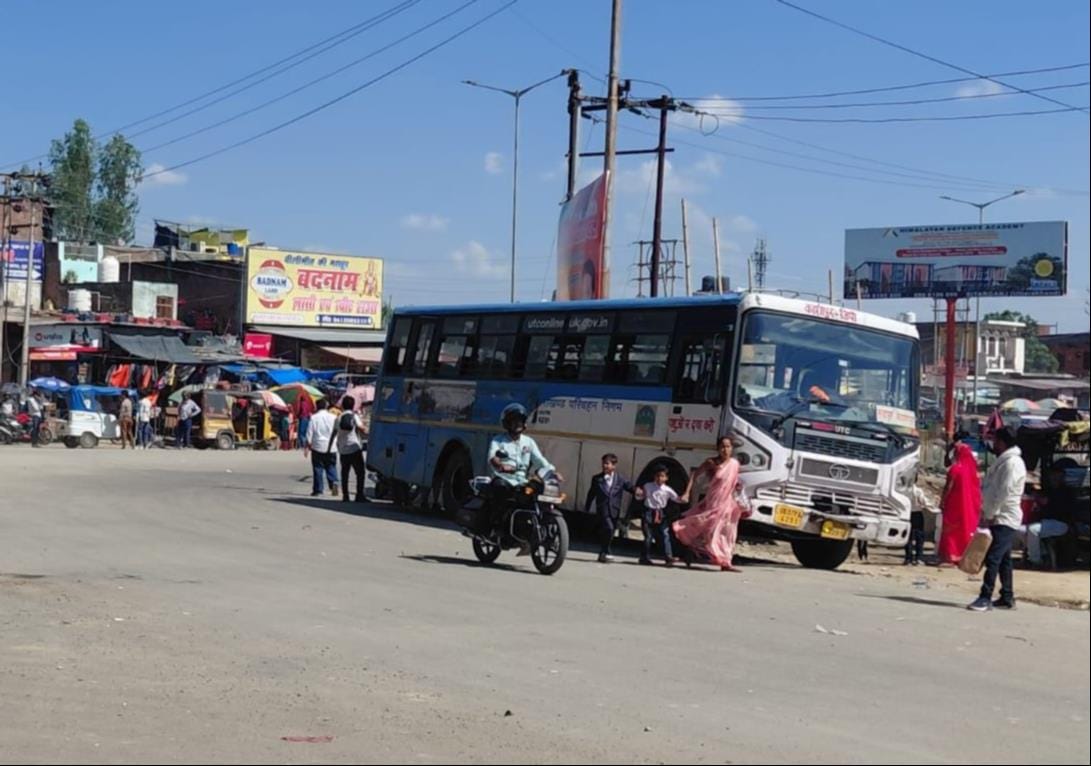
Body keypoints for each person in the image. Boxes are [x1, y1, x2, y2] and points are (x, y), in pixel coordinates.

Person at [968, 426, 1026, 611]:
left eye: (996, 440)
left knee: (993, 558)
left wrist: (990, 514)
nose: (993, 444)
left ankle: (985, 597)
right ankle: (1007, 597)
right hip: (998, 515)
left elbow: (1003, 492)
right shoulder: (1004, 461)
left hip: (1004, 517)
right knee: (1004, 560)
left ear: (1002, 442)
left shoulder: (1012, 463)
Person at [674, 434, 751, 572]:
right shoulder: (711, 463)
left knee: (728, 531)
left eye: (728, 447)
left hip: (728, 503)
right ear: (717, 448)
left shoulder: (734, 464)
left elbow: (734, 482)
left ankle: (725, 561)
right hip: (713, 502)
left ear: (732, 449)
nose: (725, 450)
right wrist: (687, 492)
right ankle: (691, 551)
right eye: (722, 447)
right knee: (708, 528)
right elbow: (695, 474)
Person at [488, 403, 558, 488]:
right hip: (504, 478)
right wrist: (501, 466)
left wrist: (552, 472)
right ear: (507, 423)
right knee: (500, 487)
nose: (518, 424)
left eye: (520, 421)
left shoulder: (529, 442)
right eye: (514, 421)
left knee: (538, 489)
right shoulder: (498, 440)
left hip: (522, 481)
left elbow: (539, 460)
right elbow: (493, 458)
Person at [584, 453, 636, 563]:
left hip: (614, 510)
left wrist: (638, 491)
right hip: (603, 510)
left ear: (614, 465)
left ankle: (603, 552)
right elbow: (591, 493)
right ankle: (607, 551)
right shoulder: (597, 479)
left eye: (607, 464)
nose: (605, 466)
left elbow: (629, 487)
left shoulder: (620, 479)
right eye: (603, 463)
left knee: (610, 533)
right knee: (609, 528)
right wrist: (587, 506)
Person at [1021, 463, 1075, 567]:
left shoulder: (1067, 491)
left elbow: (1054, 505)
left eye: (1057, 475)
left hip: (1061, 523)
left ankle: (1036, 560)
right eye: (1052, 475)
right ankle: (1043, 552)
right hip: (1044, 522)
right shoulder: (1048, 489)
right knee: (1020, 530)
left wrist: (1043, 500)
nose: (1054, 477)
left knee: (1033, 530)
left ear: (1062, 476)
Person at [937, 436, 981, 566]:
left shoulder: (955, 469)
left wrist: (942, 501)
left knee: (951, 531)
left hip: (953, 505)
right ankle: (961, 555)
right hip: (968, 507)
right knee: (964, 530)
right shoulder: (973, 472)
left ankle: (950, 556)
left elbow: (948, 487)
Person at [638, 465, 680, 566]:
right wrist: (639, 494)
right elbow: (641, 496)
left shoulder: (667, 490)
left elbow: (677, 498)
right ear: (654, 476)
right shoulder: (648, 486)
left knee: (665, 534)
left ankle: (668, 556)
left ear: (666, 478)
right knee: (648, 536)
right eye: (657, 476)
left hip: (661, 513)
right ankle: (644, 557)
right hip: (648, 512)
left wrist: (684, 498)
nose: (659, 478)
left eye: (662, 476)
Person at [305, 398, 339, 497]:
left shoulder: (314, 418)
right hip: (331, 446)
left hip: (317, 446)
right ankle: (335, 490)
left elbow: (309, 433)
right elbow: (337, 431)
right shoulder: (333, 417)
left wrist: (307, 445)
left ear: (316, 407)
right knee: (331, 467)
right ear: (326, 406)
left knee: (318, 468)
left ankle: (318, 490)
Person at [336, 395, 368, 503]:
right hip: (354, 448)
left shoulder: (339, 417)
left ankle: (345, 496)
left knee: (345, 473)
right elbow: (362, 429)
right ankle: (359, 495)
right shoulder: (354, 416)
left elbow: (335, 431)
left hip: (343, 449)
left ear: (343, 405)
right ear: (353, 405)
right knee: (360, 472)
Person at [905, 481, 938, 566]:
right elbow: (924, 502)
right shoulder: (918, 491)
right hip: (917, 514)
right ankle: (918, 558)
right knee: (919, 537)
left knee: (908, 537)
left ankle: (908, 558)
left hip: (907, 514)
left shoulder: (905, 490)